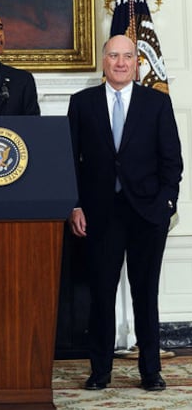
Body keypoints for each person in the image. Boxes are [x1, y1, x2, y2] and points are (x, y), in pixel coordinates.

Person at [67, 34, 183, 392]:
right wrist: (74, 205)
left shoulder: (156, 103)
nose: (120, 62)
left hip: (148, 213)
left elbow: (172, 161)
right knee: (101, 294)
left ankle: (151, 371)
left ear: (137, 62)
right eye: (114, 55)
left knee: (145, 294)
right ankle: (100, 371)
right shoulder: (82, 103)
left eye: (127, 56)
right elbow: (70, 161)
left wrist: (166, 203)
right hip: (99, 215)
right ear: (104, 61)